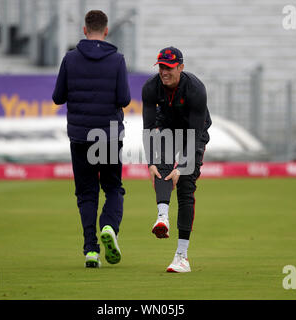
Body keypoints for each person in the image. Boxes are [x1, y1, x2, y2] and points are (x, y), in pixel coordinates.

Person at [52, 10, 131, 268]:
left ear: (84, 30)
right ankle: (108, 226)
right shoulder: (117, 60)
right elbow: (124, 99)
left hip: (80, 136)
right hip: (107, 136)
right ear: (106, 31)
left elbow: (58, 97)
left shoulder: (70, 59)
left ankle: (91, 250)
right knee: (113, 188)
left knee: (87, 194)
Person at [142, 47, 212, 273]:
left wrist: (182, 167)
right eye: (161, 66)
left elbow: (194, 132)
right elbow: (149, 127)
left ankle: (182, 257)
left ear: (181, 67)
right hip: (166, 129)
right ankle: (162, 218)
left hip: (194, 133)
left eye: (169, 68)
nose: (164, 72)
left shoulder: (196, 89)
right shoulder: (151, 87)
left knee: (185, 185)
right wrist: (150, 162)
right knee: (159, 167)